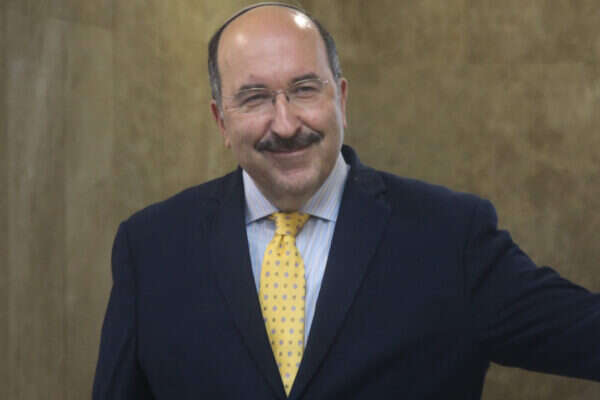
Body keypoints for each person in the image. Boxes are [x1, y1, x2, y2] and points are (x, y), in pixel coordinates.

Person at [93, 2, 600, 399]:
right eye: (255, 98)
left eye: (304, 90)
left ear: (341, 99)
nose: (285, 124)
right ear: (221, 121)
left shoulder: (450, 237)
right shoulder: (151, 247)